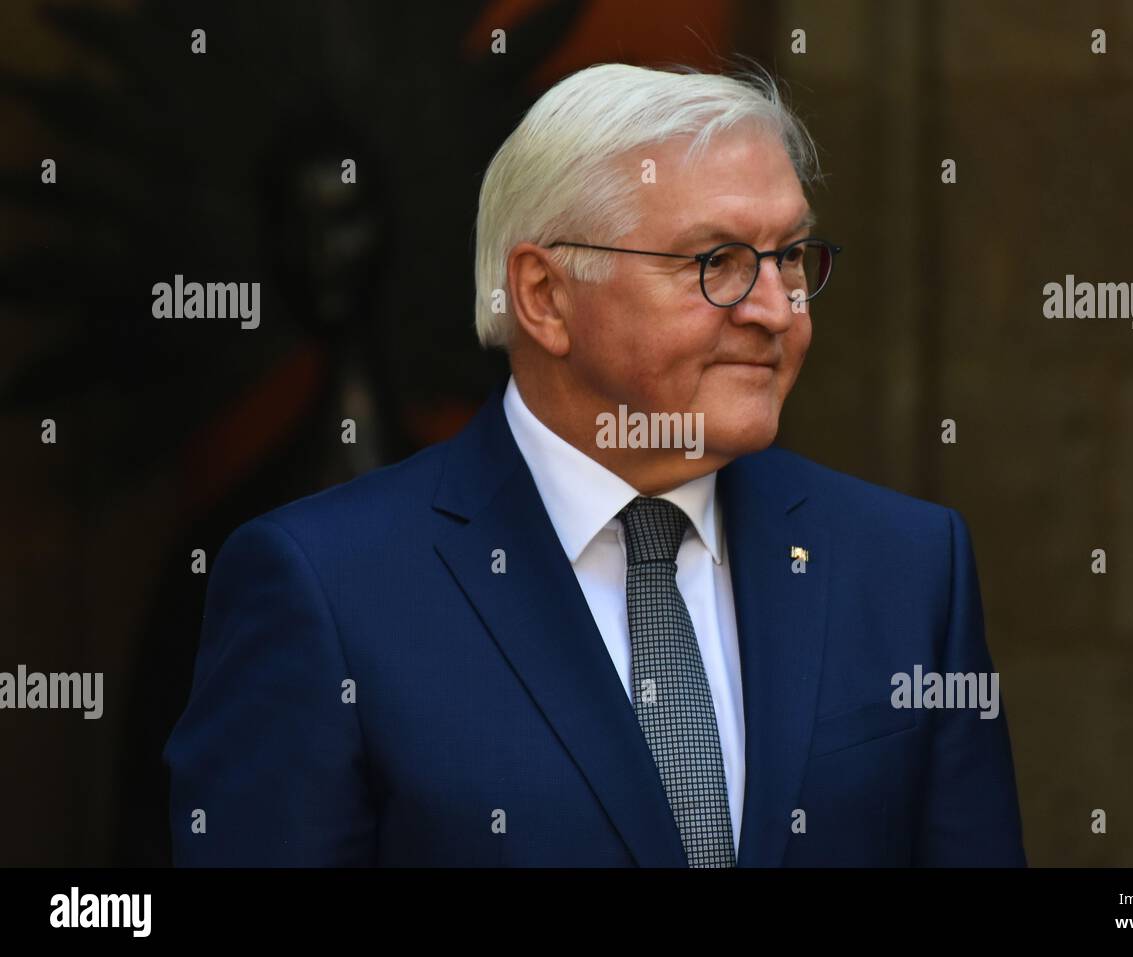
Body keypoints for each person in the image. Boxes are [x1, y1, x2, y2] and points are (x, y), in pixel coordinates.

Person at [164, 62, 1026, 867]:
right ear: (543, 296)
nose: (776, 309)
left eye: (791, 256)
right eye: (716, 261)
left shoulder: (908, 566)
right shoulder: (325, 586)